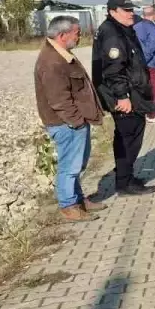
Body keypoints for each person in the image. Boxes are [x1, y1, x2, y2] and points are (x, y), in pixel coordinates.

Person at [34, 16, 105, 221]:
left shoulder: (61, 54)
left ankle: (78, 200)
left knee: (77, 164)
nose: (80, 35)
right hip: (67, 124)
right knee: (69, 167)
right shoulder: (52, 62)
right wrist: (77, 121)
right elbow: (59, 100)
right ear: (62, 35)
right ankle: (69, 206)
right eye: (76, 32)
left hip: (73, 122)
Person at [92, 0, 155, 196]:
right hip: (124, 95)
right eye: (126, 10)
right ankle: (124, 183)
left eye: (132, 9)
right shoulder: (112, 33)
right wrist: (122, 96)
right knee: (128, 139)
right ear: (113, 12)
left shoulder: (121, 28)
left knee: (129, 138)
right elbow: (113, 70)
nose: (131, 13)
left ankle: (126, 176)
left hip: (131, 91)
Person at [134, 6, 155, 125]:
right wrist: (145, 60)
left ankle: (147, 110)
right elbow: (152, 46)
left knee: (144, 88)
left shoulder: (137, 26)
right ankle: (152, 114)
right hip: (154, 63)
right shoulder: (153, 27)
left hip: (142, 63)